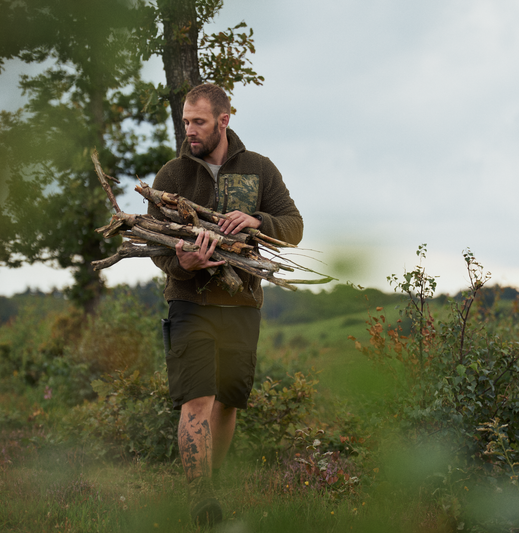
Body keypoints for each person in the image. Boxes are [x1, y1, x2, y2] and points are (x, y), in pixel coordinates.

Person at [149, 83, 303, 525]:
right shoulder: (172, 175)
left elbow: (294, 227)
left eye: (198, 121)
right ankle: (201, 500)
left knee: (229, 401)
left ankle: (211, 491)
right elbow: (159, 249)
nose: (189, 130)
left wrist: (260, 220)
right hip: (189, 302)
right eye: (185, 121)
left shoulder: (260, 169)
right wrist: (183, 262)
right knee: (196, 398)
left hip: (242, 305)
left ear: (224, 120)